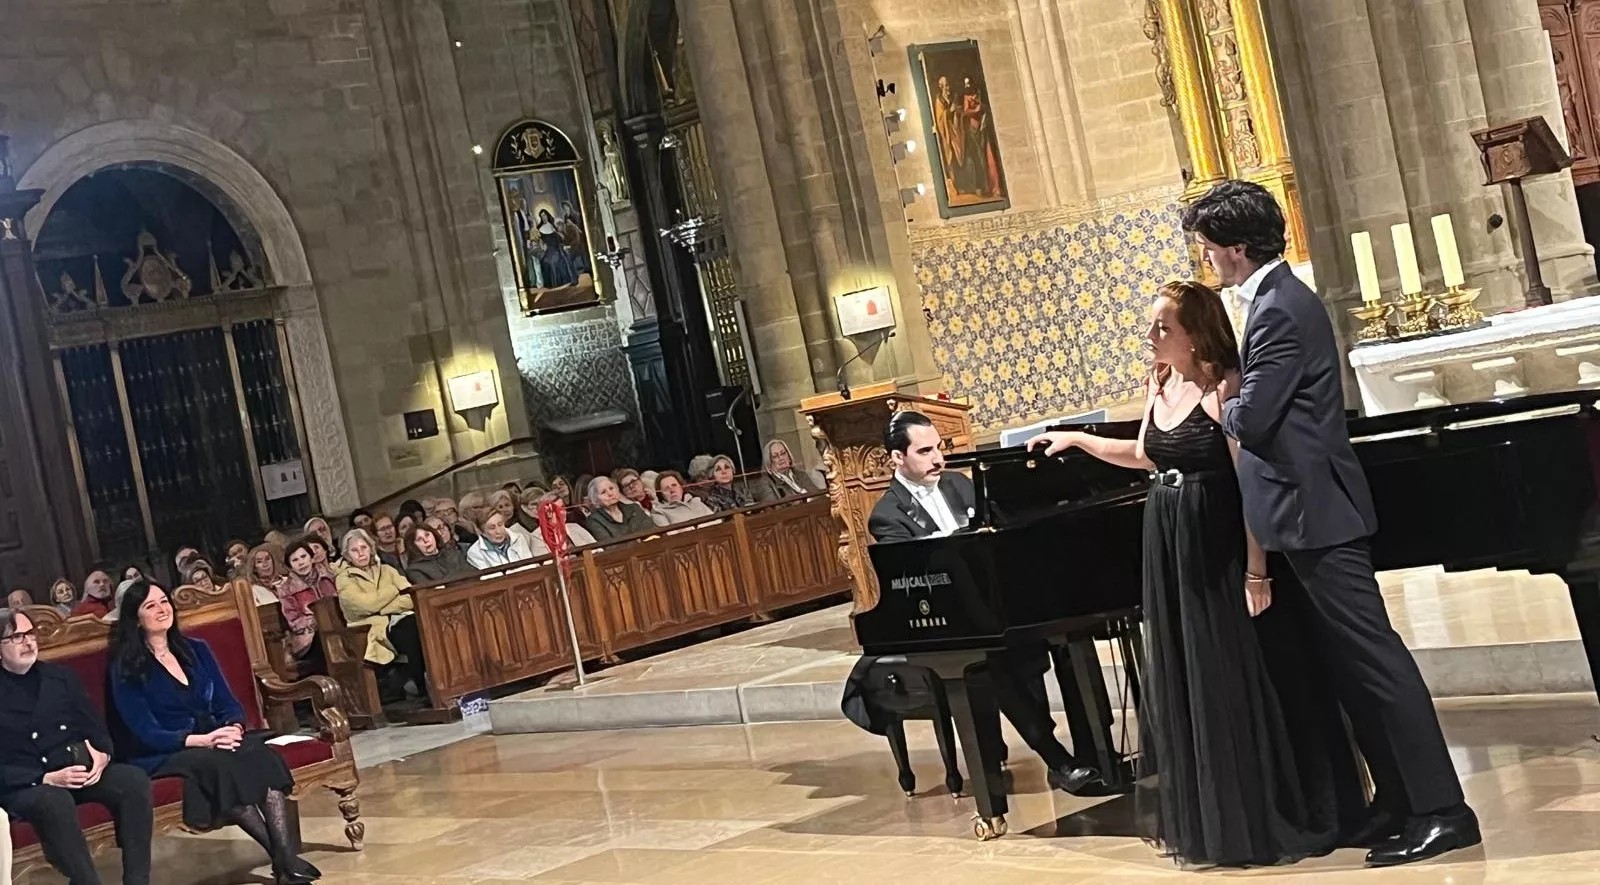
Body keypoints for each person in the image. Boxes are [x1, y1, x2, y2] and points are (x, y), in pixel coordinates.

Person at [1186, 180, 1477, 866]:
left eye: (1208, 247)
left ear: (1235, 247)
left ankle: (1444, 808)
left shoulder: (1282, 308)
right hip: (1296, 515)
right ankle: (1399, 800)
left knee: (1376, 662)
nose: (1205, 258)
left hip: (1317, 513)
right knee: (1349, 668)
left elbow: (1253, 419)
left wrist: (1217, 403)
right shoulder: (1268, 304)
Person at [1028, 281, 1366, 867]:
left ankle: (1263, 814)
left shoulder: (1224, 386)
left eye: (1164, 326)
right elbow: (1147, 455)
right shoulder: (1158, 382)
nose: (1152, 335)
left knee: (1232, 672)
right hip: (1169, 540)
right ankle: (1213, 820)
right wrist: (1080, 439)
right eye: (1153, 325)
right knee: (1188, 673)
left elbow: (1249, 484)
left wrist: (1257, 573)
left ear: (1196, 332)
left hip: (1217, 541)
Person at [867, 410, 1099, 796]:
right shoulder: (887, 516)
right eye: (924, 451)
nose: (938, 458)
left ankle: (1095, 748)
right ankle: (1058, 759)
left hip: (988, 608)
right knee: (991, 662)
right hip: (940, 625)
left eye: (939, 447)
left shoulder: (960, 485)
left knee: (1071, 635)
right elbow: (917, 580)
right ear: (897, 458)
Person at [107, 583, 319, 885]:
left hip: (215, 737)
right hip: (166, 750)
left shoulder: (196, 649)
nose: (162, 609)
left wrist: (232, 728)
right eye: (150, 606)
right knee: (220, 766)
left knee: (260, 755)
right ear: (135, 618)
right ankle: (284, 859)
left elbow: (227, 702)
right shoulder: (125, 666)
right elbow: (143, 730)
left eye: (164, 601)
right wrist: (204, 740)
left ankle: (283, 862)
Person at [0, 608, 153, 885]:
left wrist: (102, 756)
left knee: (132, 780)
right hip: (27, 784)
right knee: (54, 800)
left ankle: (138, 880)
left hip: (76, 770)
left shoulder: (59, 677)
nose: (28, 642)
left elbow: (94, 727)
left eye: (31, 634)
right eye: (17, 636)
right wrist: (44, 778)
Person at [336, 530, 425, 701]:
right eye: (355, 550)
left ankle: (430, 682)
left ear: (371, 549)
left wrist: (383, 607)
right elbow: (365, 605)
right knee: (410, 631)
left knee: (421, 625)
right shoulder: (344, 579)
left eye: (364, 547)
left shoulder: (387, 570)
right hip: (371, 629)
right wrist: (393, 590)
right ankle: (421, 686)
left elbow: (411, 596)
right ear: (347, 555)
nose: (361, 553)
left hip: (395, 619)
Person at [276, 541, 339, 668]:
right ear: (290, 566)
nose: (301, 562)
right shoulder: (286, 589)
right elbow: (294, 620)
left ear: (311, 558)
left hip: (338, 628)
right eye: (295, 560)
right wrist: (319, 621)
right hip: (308, 637)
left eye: (303, 557)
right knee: (324, 642)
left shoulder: (329, 576)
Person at [584, 476, 662, 541]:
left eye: (611, 488)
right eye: (603, 492)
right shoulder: (594, 520)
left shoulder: (634, 508)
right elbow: (610, 547)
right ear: (595, 499)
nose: (610, 494)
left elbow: (653, 532)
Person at [752, 439, 824, 503]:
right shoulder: (765, 483)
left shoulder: (801, 474)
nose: (781, 458)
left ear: (789, 456)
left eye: (783, 453)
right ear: (769, 462)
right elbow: (775, 509)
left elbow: (818, 496)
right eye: (775, 456)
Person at [402, 525, 473, 586]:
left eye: (427, 535)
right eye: (419, 539)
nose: (426, 540)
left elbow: (472, 574)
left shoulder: (454, 553)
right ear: (413, 546)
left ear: (434, 535)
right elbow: (431, 594)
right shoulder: (415, 570)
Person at [464, 510, 533, 570]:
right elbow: (491, 578)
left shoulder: (519, 538)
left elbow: (531, 566)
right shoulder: (475, 552)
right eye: (492, 528)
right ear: (481, 532)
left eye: (500, 525)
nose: (498, 531)